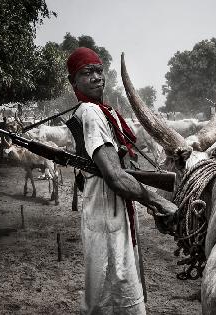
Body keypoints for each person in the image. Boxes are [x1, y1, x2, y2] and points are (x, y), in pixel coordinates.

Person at [66, 47, 177, 314]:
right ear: (73, 82)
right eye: (86, 73)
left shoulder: (105, 112)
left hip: (112, 207)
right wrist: (158, 201)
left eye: (99, 71)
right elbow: (115, 176)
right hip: (107, 210)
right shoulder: (92, 113)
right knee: (114, 282)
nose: (96, 77)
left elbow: (124, 167)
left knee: (113, 281)